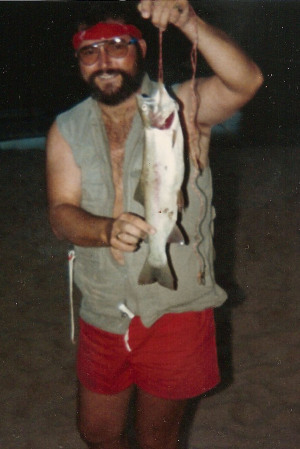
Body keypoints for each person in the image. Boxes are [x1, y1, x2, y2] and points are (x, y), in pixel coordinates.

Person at [46, 1, 263, 448]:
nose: (104, 61)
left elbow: (246, 81)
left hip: (176, 306)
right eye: (90, 52)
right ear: (79, 63)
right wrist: (105, 230)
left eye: (116, 46)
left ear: (140, 48)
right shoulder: (66, 128)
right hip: (104, 306)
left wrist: (186, 20)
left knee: (156, 439)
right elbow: (61, 214)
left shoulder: (179, 105)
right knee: (97, 431)